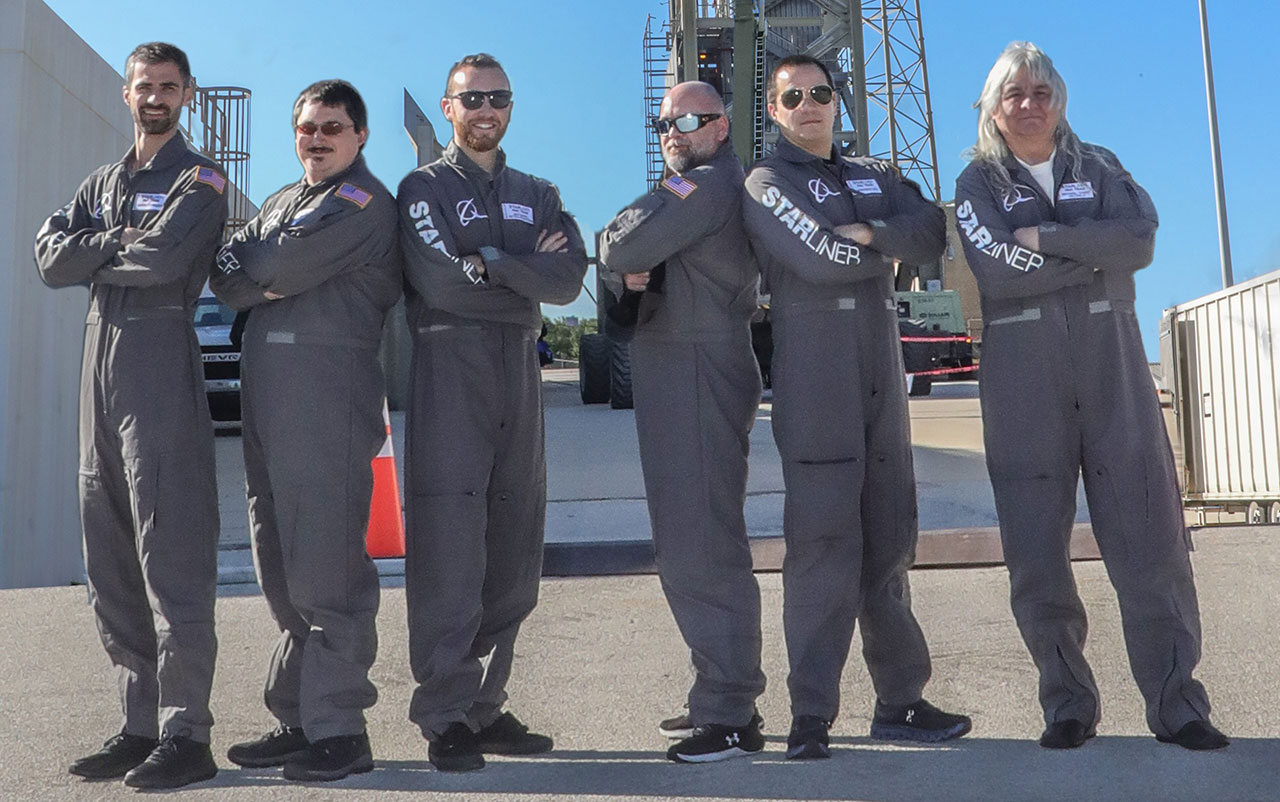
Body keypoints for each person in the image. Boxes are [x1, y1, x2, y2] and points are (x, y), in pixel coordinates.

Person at [954, 42, 1228, 751]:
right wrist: (1087, 256)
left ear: (1060, 100)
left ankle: (1178, 706)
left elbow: (1137, 241)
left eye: (1042, 91)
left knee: (1151, 543)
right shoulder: (978, 184)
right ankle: (1068, 703)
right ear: (993, 105)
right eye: (1014, 93)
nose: (1030, 103)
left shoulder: (1099, 166)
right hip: (1024, 383)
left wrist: (1044, 236)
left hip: (1115, 374)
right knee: (1037, 551)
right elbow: (999, 273)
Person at [742, 54, 972, 760]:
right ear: (775, 111)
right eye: (792, 97)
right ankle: (811, 713)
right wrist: (880, 244)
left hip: (881, 358)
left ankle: (899, 701)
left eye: (818, 94)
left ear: (837, 103)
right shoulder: (764, 181)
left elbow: (932, 235)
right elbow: (816, 257)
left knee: (890, 539)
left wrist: (871, 235)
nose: (807, 105)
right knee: (822, 545)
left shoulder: (875, 173)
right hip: (816, 367)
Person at [33, 42, 224, 790]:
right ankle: (139, 723)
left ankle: (188, 733)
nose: (156, 97)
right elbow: (49, 260)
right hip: (97, 376)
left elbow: (166, 262)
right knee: (109, 556)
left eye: (169, 87)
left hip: (158, 372)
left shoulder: (202, 180)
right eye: (145, 85)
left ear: (188, 96)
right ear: (126, 93)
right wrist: (114, 241)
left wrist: (93, 254)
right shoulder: (103, 181)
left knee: (171, 556)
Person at [397, 53, 587, 772]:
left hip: (518, 370)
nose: (486, 108)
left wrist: (492, 262)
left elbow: (570, 277)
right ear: (448, 108)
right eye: (472, 97)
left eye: (498, 97)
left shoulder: (537, 191)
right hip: (451, 370)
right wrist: (515, 270)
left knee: (513, 549)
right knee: (451, 545)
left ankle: (486, 707)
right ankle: (444, 714)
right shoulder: (424, 187)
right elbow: (442, 284)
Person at [209, 79, 402, 781]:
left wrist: (266, 267)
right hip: (266, 398)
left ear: (360, 136)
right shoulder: (285, 202)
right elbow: (229, 276)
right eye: (307, 127)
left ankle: (341, 729)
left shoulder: (363, 203)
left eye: (332, 127)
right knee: (280, 563)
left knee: (327, 564)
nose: (316, 138)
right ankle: (297, 715)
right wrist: (260, 270)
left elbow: (275, 263)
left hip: (324, 397)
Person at [597, 81, 766, 763]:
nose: (675, 129)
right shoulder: (689, 188)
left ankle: (729, 713)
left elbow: (617, 244)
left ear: (722, 127)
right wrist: (626, 256)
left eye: (692, 119)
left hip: (697, 368)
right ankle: (719, 696)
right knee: (686, 537)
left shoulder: (712, 186)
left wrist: (624, 250)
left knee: (701, 541)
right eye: (665, 120)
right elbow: (623, 254)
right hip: (677, 367)